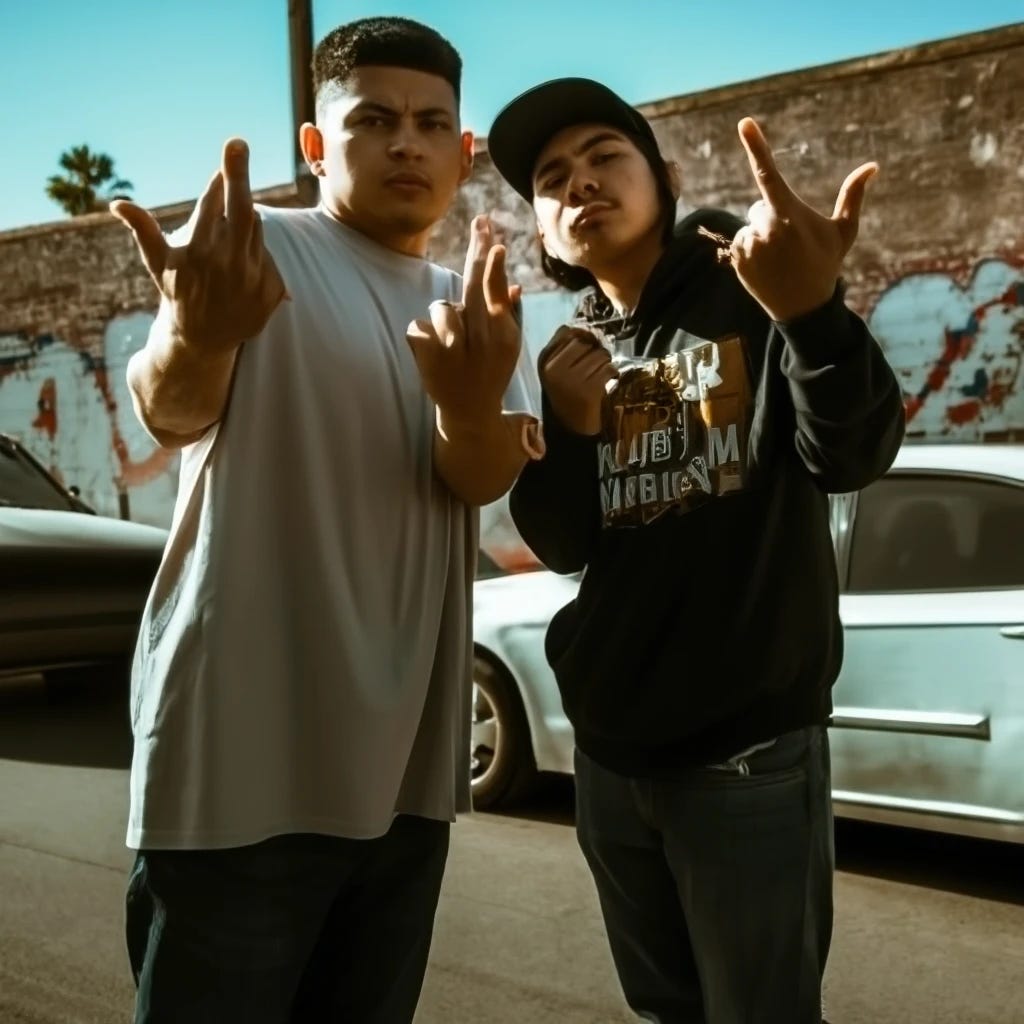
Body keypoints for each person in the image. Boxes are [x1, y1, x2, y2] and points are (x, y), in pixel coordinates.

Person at [109, 17, 540, 1024]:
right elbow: (169, 405)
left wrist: (471, 402)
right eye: (374, 118)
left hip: (405, 786)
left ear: (462, 151)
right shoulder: (255, 251)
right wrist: (195, 338)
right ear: (314, 142)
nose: (407, 143)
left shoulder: (469, 303)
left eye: (433, 123)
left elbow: (474, 477)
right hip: (238, 772)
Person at [487, 78, 906, 1024]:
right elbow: (560, 545)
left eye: (605, 158)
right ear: (545, 232)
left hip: (745, 755)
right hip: (609, 758)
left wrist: (812, 317)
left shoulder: (752, 288)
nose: (579, 185)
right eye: (552, 181)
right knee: (663, 1010)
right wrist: (573, 426)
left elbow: (853, 453)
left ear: (665, 179)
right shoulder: (568, 351)